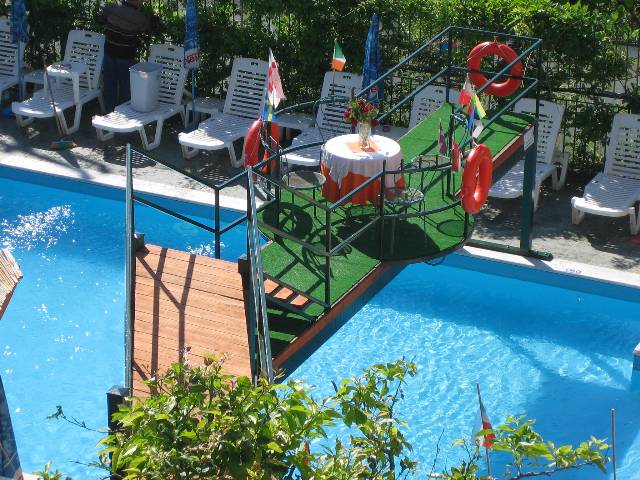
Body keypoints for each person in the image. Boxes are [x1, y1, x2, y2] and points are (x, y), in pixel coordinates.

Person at [97, 0, 160, 113]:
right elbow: (149, 28)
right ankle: (123, 111)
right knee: (126, 83)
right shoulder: (139, 18)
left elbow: (102, 13)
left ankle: (109, 110)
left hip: (109, 49)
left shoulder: (112, 8)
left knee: (109, 81)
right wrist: (155, 18)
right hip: (125, 54)